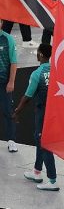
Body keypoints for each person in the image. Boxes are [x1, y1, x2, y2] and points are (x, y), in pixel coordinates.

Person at [13, 44, 59, 191]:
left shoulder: (37, 74)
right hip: (54, 113)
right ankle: (37, 172)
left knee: (45, 144)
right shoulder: (57, 70)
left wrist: (17, 111)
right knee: (40, 140)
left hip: (43, 114)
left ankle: (53, 181)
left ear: (39, 54)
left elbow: (27, 97)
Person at [0, 20, 18, 152]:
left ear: (1, 23)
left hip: (4, 82)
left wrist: (11, 81)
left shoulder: (8, 39)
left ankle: (12, 141)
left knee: (8, 111)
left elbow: (13, 62)